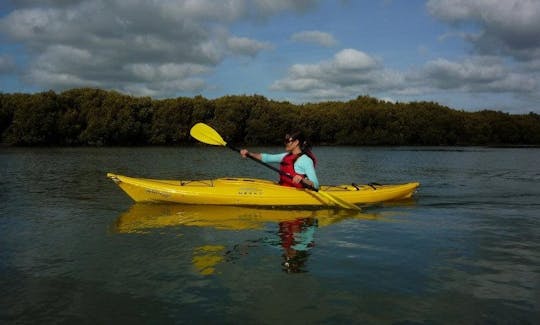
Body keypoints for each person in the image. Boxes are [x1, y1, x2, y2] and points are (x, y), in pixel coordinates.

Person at [240, 131, 319, 189]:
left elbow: (316, 185)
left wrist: (303, 180)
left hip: (297, 193)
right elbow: (267, 157)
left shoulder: (306, 160)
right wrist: (249, 154)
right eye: (285, 141)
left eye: (287, 141)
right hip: (283, 188)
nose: (285, 143)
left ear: (296, 142)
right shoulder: (285, 156)